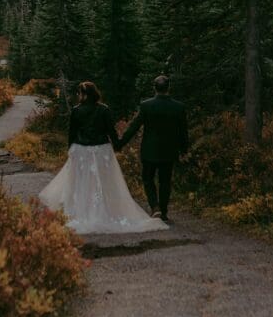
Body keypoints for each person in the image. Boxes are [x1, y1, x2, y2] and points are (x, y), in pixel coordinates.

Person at [38, 82, 167, 234]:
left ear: (84, 94)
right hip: (101, 151)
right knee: (104, 182)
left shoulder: (76, 111)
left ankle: (83, 211)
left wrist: (70, 151)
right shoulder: (104, 110)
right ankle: (105, 210)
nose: (78, 96)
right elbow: (110, 131)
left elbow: (72, 133)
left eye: (79, 93)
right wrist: (118, 145)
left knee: (82, 182)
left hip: (82, 151)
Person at [118, 75, 188, 223]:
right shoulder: (179, 107)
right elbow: (183, 132)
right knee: (165, 181)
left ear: (154, 87)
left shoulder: (146, 105)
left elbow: (134, 127)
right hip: (169, 151)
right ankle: (163, 212)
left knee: (148, 179)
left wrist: (120, 143)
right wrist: (184, 150)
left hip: (149, 151)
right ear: (169, 87)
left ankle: (154, 207)